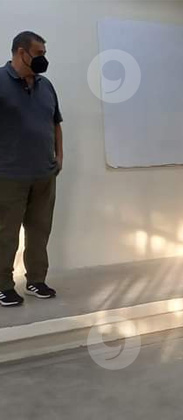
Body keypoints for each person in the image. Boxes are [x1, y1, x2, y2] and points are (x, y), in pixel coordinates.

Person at [0, 31, 62, 307]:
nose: (43, 59)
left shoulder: (46, 85)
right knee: (6, 232)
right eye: (39, 54)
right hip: (9, 175)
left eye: (44, 54)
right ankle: (3, 285)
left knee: (40, 230)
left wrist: (59, 156)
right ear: (21, 52)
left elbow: (55, 122)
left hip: (44, 174)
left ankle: (36, 280)